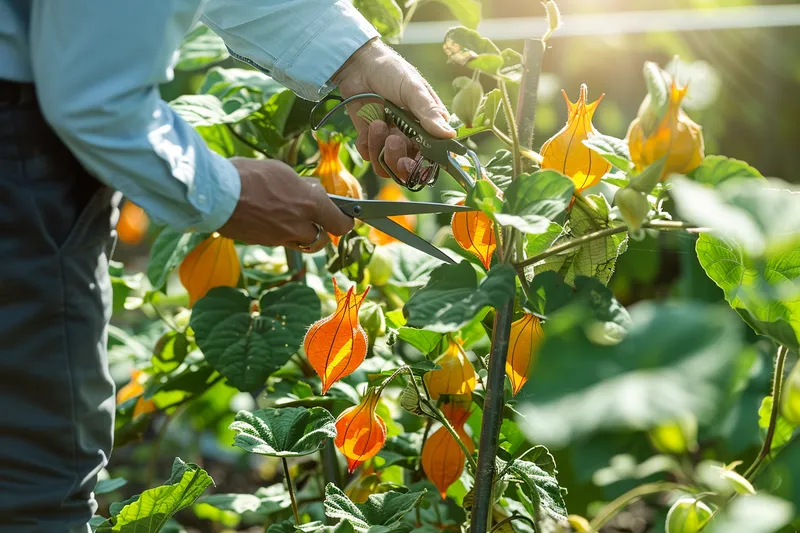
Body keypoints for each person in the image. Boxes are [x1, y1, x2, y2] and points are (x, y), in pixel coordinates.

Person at [0, 1, 454, 531]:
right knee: (33, 489)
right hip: (22, 154)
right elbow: (94, 92)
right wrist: (228, 196)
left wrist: (357, 59)